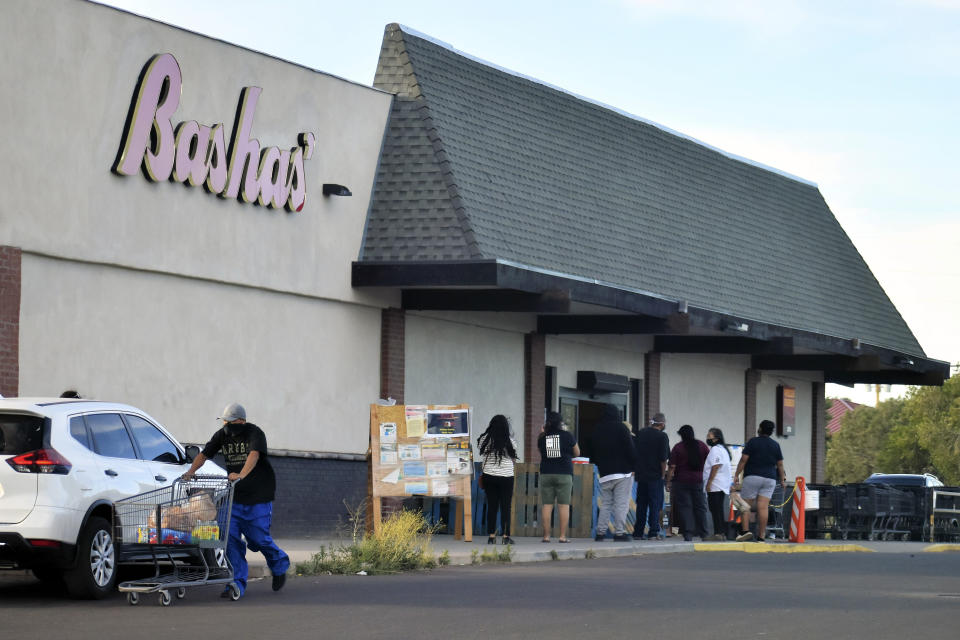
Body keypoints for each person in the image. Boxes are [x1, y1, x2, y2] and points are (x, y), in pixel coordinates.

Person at [182, 402, 290, 597]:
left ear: (241, 421)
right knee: (228, 537)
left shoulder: (254, 433)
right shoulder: (222, 435)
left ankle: (279, 564)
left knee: (258, 538)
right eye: (224, 421)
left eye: (231, 422)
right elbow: (205, 454)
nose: (227, 425)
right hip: (234, 496)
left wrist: (241, 474)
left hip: (259, 495)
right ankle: (236, 583)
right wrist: (190, 472)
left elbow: (254, 455)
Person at [588, 405, 637, 541]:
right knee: (621, 504)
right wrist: (634, 464)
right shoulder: (621, 428)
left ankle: (600, 532)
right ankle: (619, 533)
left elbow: (588, 452)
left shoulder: (597, 429)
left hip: (605, 473)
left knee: (606, 504)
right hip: (622, 473)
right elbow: (630, 449)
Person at [734, 419, 786, 542]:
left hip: (752, 476)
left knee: (745, 506)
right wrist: (782, 480)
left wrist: (736, 474)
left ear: (760, 429)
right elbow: (780, 465)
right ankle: (761, 536)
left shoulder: (753, 442)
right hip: (770, 479)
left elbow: (743, 460)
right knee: (763, 508)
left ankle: (745, 532)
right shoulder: (775, 445)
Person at [538, 411, 580, 543]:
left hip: (546, 473)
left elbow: (541, 452)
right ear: (560, 423)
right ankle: (562, 536)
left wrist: (543, 433)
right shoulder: (567, 436)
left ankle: (546, 536)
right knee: (563, 505)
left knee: (547, 505)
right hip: (564, 473)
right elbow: (577, 453)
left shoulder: (542, 437)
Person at [477, 415, 518, 545]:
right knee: (506, 506)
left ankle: (491, 536)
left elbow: (481, 451)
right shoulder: (510, 441)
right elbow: (513, 459)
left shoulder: (484, 439)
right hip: (506, 477)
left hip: (489, 476)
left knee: (492, 506)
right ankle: (506, 537)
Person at [666, 424, 710, 542]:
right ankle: (704, 533)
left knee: (685, 508)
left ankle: (688, 534)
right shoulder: (701, 445)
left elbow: (672, 467)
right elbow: (708, 461)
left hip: (681, 481)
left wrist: (668, 481)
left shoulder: (678, 447)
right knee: (700, 507)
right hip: (698, 480)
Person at [632, 412, 670, 540]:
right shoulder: (662, 436)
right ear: (662, 423)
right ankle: (653, 532)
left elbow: (634, 453)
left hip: (641, 475)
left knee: (641, 504)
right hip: (655, 476)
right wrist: (663, 474)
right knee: (655, 504)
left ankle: (638, 532)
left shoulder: (641, 433)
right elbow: (663, 459)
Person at [703, 427, 733, 541]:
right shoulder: (723, 449)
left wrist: (709, 483)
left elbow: (716, 466)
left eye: (709, 435)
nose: (707, 437)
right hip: (721, 485)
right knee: (718, 509)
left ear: (716, 438)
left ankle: (718, 533)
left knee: (715, 509)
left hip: (715, 485)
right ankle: (721, 533)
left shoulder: (715, 449)